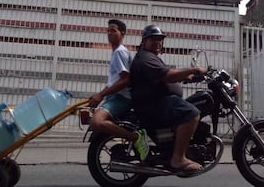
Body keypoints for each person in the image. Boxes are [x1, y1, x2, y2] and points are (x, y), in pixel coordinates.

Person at [130, 24, 207, 173]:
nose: (158, 42)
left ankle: (174, 149)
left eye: (160, 39)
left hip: (157, 103)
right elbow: (168, 75)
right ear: (144, 41)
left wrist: (189, 77)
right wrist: (194, 69)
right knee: (192, 114)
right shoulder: (145, 58)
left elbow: (165, 76)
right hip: (153, 105)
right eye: (153, 39)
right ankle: (178, 159)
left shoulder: (151, 58)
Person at [88, 19, 149, 161]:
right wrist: (99, 95)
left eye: (113, 31)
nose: (109, 33)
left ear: (122, 33)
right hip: (115, 97)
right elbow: (115, 81)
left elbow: (126, 80)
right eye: (108, 31)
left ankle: (136, 138)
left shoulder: (119, 52)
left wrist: (102, 94)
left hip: (121, 98)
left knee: (96, 122)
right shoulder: (118, 52)